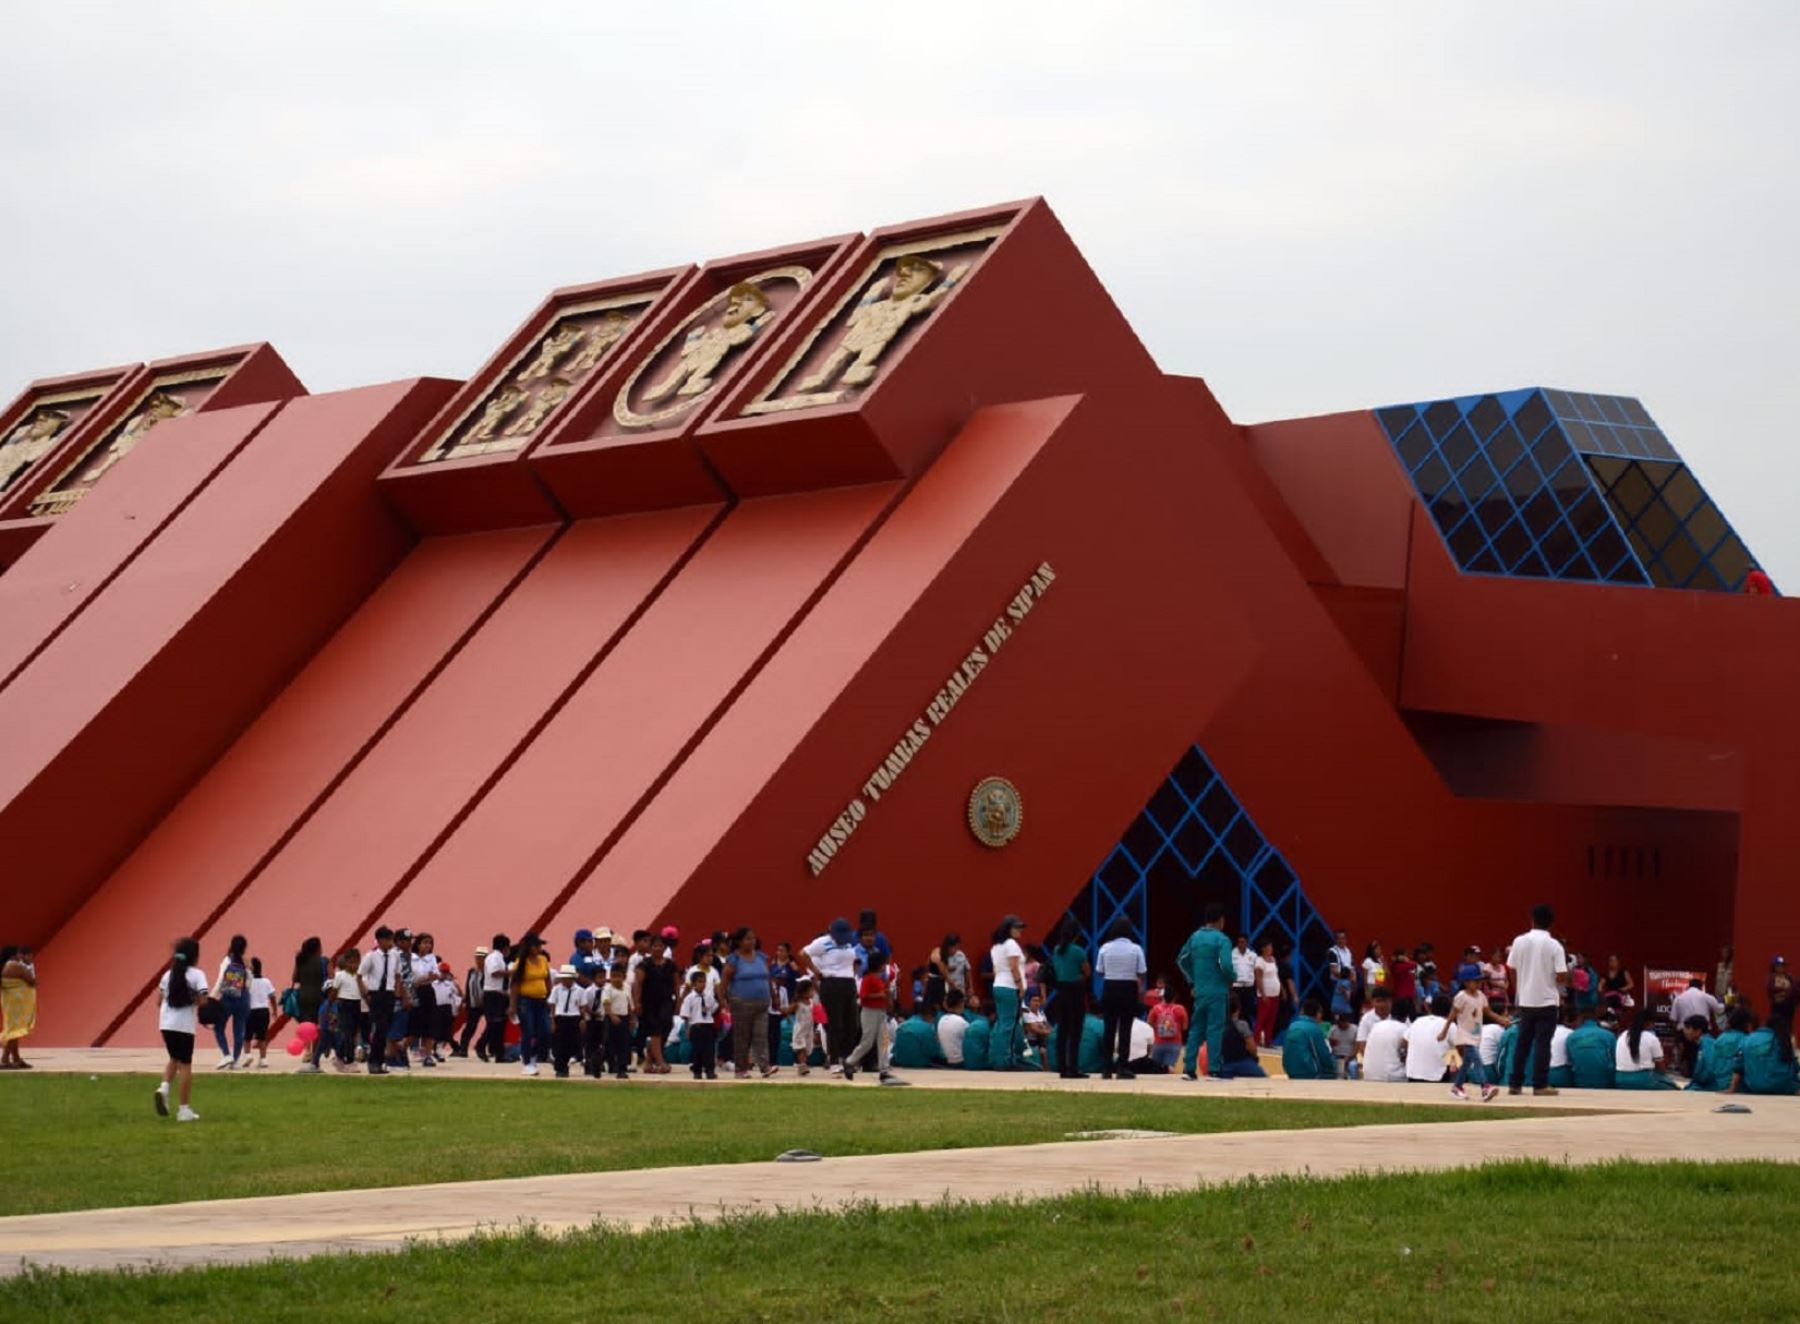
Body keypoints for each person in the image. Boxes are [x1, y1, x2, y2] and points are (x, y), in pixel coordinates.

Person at [1505, 904, 1567, 1096]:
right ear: (1551, 923)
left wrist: (1521, 988)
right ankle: (1540, 1084)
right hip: (1547, 1001)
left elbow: (1512, 968)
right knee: (1542, 1044)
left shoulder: (1519, 941)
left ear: (1532, 919)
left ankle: (1515, 1083)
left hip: (1526, 1001)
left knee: (1522, 1043)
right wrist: (1554, 985)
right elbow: (1562, 974)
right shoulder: (1554, 945)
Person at [1177, 902, 1235, 1081]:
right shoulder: (1222, 940)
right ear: (1221, 920)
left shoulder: (1194, 937)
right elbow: (1225, 965)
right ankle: (1214, 1069)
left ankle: (1188, 1068)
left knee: (1196, 1029)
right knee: (1215, 1029)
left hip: (1200, 990)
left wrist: (1192, 981)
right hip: (1217, 990)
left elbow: (1181, 960)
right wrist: (1232, 978)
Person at [155, 937, 210, 1122]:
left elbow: (158, 1001)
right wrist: (193, 1000)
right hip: (184, 1025)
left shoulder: (167, 975)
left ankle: (163, 1088)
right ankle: (184, 1110)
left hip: (165, 1024)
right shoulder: (197, 975)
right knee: (185, 1065)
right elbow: (203, 1000)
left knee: (174, 1058)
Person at [802, 918, 861, 1072]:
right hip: (832, 982)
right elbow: (803, 953)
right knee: (836, 1024)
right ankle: (834, 1061)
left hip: (848, 983)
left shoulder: (849, 943)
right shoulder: (823, 942)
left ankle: (848, 1059)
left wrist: (852, 974)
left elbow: (854, 961)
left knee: (852, 1024)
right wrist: (816, 972)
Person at [1442, 964, 1505, 1101]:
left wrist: (1501, 1020)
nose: (1479, 983)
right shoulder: (1461, 996)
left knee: (1466, 1064)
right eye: (1475, 981)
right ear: (1466, 982)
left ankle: (1457, 1087)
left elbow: (1488, 1012)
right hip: (1464, 1034)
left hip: (1476, 1034)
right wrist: (1444, 1030)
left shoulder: (1481, 996)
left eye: (1480, 981)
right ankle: (1485, 1087)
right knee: (1477, 1059)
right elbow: (1452, 1014)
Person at [1093, 918, 1146, 1080]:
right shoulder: (1136, 949)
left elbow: (1099, 971)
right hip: (1128, 989)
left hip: (1110, 988)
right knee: (1125, 1029)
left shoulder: (1105, 948)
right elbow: (1141, 971)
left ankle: (1106, 1068)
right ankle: (1122, 1067)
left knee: (1109, 1029)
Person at [725, 926, 777, 1079]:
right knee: (742, 1037)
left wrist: (774, 997)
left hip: (762, 1002)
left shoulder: (761, 957)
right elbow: (724, 981)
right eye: (748, 939)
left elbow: (767, 979)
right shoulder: (734, 959)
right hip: (741, 1002)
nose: (752, 941)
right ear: (740, 942)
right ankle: (741, 1068)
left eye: (753, 938)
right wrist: (723, 1001)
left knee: (761, 1035)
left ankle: (764, 1066)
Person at [1045, 916, 1092, 1079]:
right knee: (1075, 1031)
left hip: (1061, 991)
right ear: (1076, 934)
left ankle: (1062, 1067)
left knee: (1062, 1030)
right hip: (1075, 991)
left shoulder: (1057, 949)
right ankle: (1073, 1067)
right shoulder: (1078, 951)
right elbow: (1087, 972)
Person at [359, 927, 403, 1076]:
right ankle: (373, 1061)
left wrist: (397, 992)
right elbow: (360, 975)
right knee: (380, 1028)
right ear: (379, 940)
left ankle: (379, 1061)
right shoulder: (371, 956)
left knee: (385, 1030)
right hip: (376, 993)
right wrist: (365, 994)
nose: (390, 943)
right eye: (387, 939)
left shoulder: (395, 955)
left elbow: (397, 974)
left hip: (389, 994)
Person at [509, 931, 552, 1078]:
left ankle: (533, 1055)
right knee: (528, 1031)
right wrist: (513, 1005)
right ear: (530, 947)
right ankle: (527, 1061)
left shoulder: (543, 960)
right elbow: (514, 985)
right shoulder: (521, 962)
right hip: (525, 1000)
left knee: (545, 1031)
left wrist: (549, 995)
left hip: (541, 999)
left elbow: (547, 979)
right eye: (537, 945)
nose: (540, 948)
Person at [988, 915, 1028, 1070]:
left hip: (998, 985)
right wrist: (1020, 986)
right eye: (1017, 928)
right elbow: (1014, 967)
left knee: (1002, 1024)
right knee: (1009, 1026)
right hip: (1010, 987)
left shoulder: (996, 947)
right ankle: (1006, 1060)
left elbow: (996, 969)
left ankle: (998, 1058)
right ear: (1008, 929)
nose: (1020, 931)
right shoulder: (1011, 944)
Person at [634, 932, 678, 1075]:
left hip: (666, 1001)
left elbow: (677, 984)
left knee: (667, 1025)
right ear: (650, 948)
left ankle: (649, 1060)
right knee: (655, 1030)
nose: (657, 949)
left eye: (660, 946)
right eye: (654, 946)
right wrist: (637, 1002)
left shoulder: (671, 965)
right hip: (649, 1003)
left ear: (664, 947)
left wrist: (678, 1000)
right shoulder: (644, 964)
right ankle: (660, 1062)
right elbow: (638, 984)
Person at [211, 934, 252, 1070]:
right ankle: (235, 1060)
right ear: (244, 948)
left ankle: (226, 1054)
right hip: (243, 998)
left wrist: (212, 997)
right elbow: (250, 983)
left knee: (218, 1027)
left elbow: (220, 981)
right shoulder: (247, 963)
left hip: (228, 998)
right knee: (239, 1031)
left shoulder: (227, 960)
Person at [288, 936, 329, 1072]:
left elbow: (295, 978)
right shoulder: (324, 961)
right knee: (318, 1026)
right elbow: (331, 978)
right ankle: (315, 1055)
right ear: (318, 948)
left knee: (306, 1024)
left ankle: (307, 1050)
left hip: (303, 995)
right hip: (319, 996)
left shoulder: (301, 960)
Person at [1688, 1008, 1751, 1093]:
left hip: (1721, 1084)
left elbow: (1712, 1065)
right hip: (1740, 1086)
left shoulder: (1720, 1039)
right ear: (1747, 1024)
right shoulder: (1745, 1039)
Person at [1734, 1018, 1798, 1095]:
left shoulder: (1747, 1039)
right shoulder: (1783, 1039)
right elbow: (1795, 1067)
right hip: (1782, 1087)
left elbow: (1738, 1066)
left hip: (1754, 1087)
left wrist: (1732, 1088)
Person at [1615, 1010, 1676, 1089]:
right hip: (1643, 1080)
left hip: (1620, 1080)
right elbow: (1660, 1067)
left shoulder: (1622, 1036)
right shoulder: (1651, 1038)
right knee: (1673, 1087)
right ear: (1649, 1022)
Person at [1213, 994, 1267, 1078]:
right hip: (1242, 1062)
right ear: (1238, 1009)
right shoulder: (1242, 1025)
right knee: (1262, 1077)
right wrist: (1255, 1057)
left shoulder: (1216, 1025)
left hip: (1223, 1064)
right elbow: (1252, 1047)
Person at [0, 946, 36, 1069]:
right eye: (18, 954)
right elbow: (31, 980)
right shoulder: (15, 966)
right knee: (13, 1031)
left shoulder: (5, 966)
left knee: (14, 1030)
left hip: (10, 1002)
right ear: (13, 955)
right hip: (17, 1004)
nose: (20, 956)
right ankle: (4, 1059)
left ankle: (16, 1058)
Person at [680, 969, 720, 1080]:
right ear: (693, 984)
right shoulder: (689, 998)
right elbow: (686, 1015)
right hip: (696, 1027)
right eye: (699, 982)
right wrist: (688, 1029)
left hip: (708, 1025)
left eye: (704, 982)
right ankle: (697, 1071)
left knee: (709, 1050)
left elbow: (712, 1009)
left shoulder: (708, 997)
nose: (702, 984)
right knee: (697, 1050)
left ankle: (710, 1071)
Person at [1404, 993, 1452, 1084]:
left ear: (1431, 1008)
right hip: (1437, 1077)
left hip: (1412, 1074)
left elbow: (1405, 1041)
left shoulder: (1418, 1021)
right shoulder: (1449, 1025)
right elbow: (1460, 1048)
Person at [1281, 999, 1335, 1080]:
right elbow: (1323, 1055)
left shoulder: (1292, 1026)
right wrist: (1331, 1070)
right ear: (1318, 1014)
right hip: (1309, 1072)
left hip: (1290, 1070)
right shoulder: (1315, 1029)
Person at [330, 949, 364, 1073]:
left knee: (353, 1033)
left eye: (356, 963)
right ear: (346, 962)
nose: (353, 966)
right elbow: (333, 993)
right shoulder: (340, 975)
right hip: (344, 1004)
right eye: (350, 963)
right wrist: (330, 1008)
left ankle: (339, 1056)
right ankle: (350, 1061)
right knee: (347, 1033)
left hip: (356, 1004)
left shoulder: (360, 976)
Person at [1360, 996, 1408, 1083]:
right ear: (1406, 1016)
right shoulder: (1404, 1029)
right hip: (1390, 1076)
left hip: (1368, 1074)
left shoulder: (1377, 1026)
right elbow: (1408, 1053)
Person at [1566, 1010, 1617, 1089]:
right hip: (1606, 1082)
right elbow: (1615, 1059)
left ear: (1580, 1020)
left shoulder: (1571, 1037)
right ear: (1597, 1021)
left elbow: (1570, 1060)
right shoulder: (1609, 1035)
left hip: (1579, 1082)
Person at [480, 935, 511, 1063]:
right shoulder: (494, 957)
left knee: (500, 1025)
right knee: (494, 1023)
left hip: (498, 993)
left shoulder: (499, 958)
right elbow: (494, 972)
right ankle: (481, 1045)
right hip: (493, 994)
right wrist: (510, 973)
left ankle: (500, 1053)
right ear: (505, 947)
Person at [599, 963, 633, 1079]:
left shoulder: (627, 988)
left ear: (624, 977)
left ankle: (622, 1069)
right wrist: (612, 1016)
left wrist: (631, 1019)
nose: (616, 979)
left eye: (619, 976)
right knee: (609, 1043)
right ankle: (601, 1062)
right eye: (613, 976)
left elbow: (629, 1003)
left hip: (623, 1018)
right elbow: (606, 1003)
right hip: (611, 1018)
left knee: (623, 1044)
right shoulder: (608, 990)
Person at [1146, 978, 1187, 1072]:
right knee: (1169, 1068)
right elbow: (1185, 1027)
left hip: (1158, 1043)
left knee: (1155, 1068)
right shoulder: (1180, 1008)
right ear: (1175, 997)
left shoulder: (1156, 1008)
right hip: (1175, 1043)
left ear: (1163, 997)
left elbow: (1149, 1024)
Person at [243, 958, 275, 1069]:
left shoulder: (247, 982)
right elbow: (272, 997)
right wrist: (274, 1010)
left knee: (247, 1036)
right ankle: (263, 1059)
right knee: (262, 1037)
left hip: (250, 1011)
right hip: (263, 1011)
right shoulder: (266, 981)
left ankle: (247, 1055)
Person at [1252, 940, 1283, 1046]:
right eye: (1268, 947)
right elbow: (1258, 978)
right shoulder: (1259, 961)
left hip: (1275, 993)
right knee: (1262, 1018)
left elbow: (1276, 976)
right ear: (1263, 948)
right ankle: (1256, 1041)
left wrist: (1282, 989)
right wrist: (1263, 993)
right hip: (1265, 994)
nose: (1270, 949)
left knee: (1271, 1019)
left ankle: (1268, 1041)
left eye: (1271, 947)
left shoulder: (1273, 959)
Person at [1766, 956, 1796, 1060]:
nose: (1781, 968)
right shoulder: (1772, 978)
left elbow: (1794, 989)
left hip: (1788, 1008)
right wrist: (1783, 990)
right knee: (1777, 1029)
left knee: (1787, 1029)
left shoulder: (1789, 977)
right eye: (1779, 966)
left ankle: (1787, 1051)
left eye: (1782, 966)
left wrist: (1787, 993)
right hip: (1777, 1008)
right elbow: (1770, 989)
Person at [791, 977, 822, 1075]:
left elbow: (818, 1015)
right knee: (802, 1048)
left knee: (808, 1048)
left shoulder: (812, 1003)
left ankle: (803, 1063)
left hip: (809, 1029)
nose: (812, 992)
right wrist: (782, 1009)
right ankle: (802, 1065)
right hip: (800, 1029)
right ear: (804, 992)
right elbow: (788, 1009)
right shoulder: (798, 1003)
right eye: (810, 990)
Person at [936, 988, 971, 1068]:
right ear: (961, 1003)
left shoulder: (941, 1020)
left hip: (948, 1061)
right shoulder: (961, 1022)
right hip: (961, 1061)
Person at [1020, 992, 1052, 1068]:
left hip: (1042, 1039)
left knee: (1045, 1049)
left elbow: (1048, 1026)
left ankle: (1047, 1070)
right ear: (1029, 1002)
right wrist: (1045, 1030)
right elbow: (1033, 1029)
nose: (1036, 1003)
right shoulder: (1027, 1013)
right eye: (1034, 1001)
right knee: (1042, 1051)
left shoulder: (1041, 1013)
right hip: (1029, 1041)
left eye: (1038, 1001)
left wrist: (1046, 1030)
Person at [1230, 934, 1256, 1022]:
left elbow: (1256, 971)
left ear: (1247, 943)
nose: (1240, 944)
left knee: (1248, 1013)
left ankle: (1247, 1033)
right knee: (1236, 1012)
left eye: (1242, 942)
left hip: (1249, 988)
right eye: (1239, 942)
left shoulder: (1253, 955)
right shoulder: (1232, 954)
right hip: (1236, 987)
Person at [1599, 954, 1634, 1019]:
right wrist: (1600, 989)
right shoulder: (1606, 974)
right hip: (1610, 997)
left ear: (1618, 962)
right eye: (1610, 961)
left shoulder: (1623, 972)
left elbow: (1631, 984)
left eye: (1614, 961)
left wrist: (1624, 988)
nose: (1612, 963)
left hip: (1621, 996)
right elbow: (1600, 985)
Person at [1390, 947, 1419, 1023]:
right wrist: (1406, 960)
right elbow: (1414, 964)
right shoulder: (1397, 967)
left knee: (1412, 1017)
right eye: (1404, 955)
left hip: (1409, 996)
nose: (1406, 957)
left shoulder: (1405, 965)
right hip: (1402, 997)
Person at [1328, 1013, 1357, 1078]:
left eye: (1343, 1023)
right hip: (1336, 1055)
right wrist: (1332, 1042)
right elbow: (1329, 1045)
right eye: (1339, 1023)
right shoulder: (1333, 1029)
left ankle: (1354, 1084)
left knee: (1352, 1066)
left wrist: (1349, 1057)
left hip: (1350, 1056)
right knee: (1331, 1063)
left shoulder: (1355, 1029)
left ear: (1347, 1022)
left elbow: (1356, 1046)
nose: (1341, 1025)